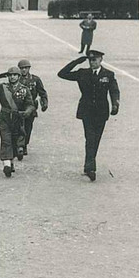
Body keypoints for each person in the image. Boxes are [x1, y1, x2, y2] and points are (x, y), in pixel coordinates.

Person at [57, 50, 120, 182]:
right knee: (90, 138)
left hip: (102, 112)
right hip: (87, 111)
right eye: (90, 60)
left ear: (101, 60)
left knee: (96, 139)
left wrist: (115, 105)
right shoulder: (82, 73)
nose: (92, 62)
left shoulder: (108, 74)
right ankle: (91, 167)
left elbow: (114, 91)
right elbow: (62, 74)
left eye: (95, 60)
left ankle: (88, 165)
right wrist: (76, 62)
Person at [0, 66, 36, 177]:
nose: (12, 77)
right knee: (6, 140)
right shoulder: (2, 87)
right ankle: (6, 164)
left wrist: (27, 112)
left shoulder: (24, 89)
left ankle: (11, 161)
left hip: (18, 118)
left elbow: (30, 104)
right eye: (10, 75)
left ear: (18, 76)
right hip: (5, 117)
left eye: (15, 75)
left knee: (14, 141)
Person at [16, 59, 48, 156]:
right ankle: (19, 146)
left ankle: (24, 144)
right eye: (22, 68)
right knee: (18, 126)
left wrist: (44, 103)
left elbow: (42, 92)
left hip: (31, 107)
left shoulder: (35, 80)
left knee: (28, 127)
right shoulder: (16, 79)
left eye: (26, 68)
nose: (24, 70)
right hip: (19, 106)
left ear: (29, 68)